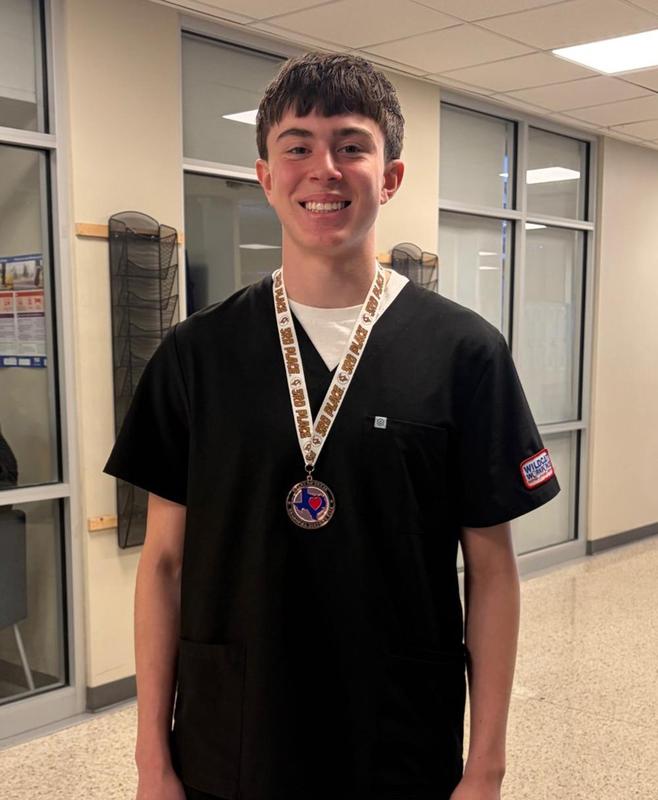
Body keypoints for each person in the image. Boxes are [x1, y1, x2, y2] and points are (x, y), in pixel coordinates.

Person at [105, 52, 560, 800]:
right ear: (264, 175)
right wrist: (152, 759)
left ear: (389, 177)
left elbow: (492, 571)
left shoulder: (463, 353)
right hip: (235, 743)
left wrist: (487, 767)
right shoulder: (196, 356)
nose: (324, 168)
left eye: (351, 146)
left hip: (398, 742)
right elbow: (162, 566)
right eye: (297, 147)